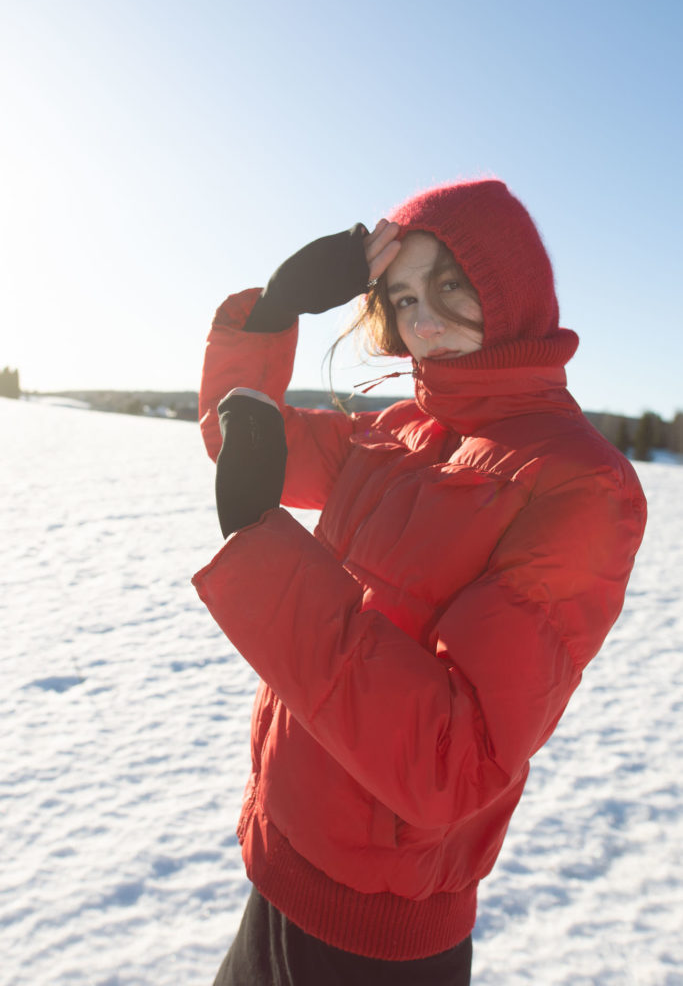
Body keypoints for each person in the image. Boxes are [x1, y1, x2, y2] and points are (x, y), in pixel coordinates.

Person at [192, 178, 647, 985]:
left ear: (512, 291)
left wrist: (263, 554)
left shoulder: (579, 485)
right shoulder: (398, 431)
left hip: (375, 945)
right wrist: (271, 313)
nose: (423, 321)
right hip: (280, 869)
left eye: (450, 286)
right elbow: (242, 433)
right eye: (401, 297)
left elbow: (452, 764)